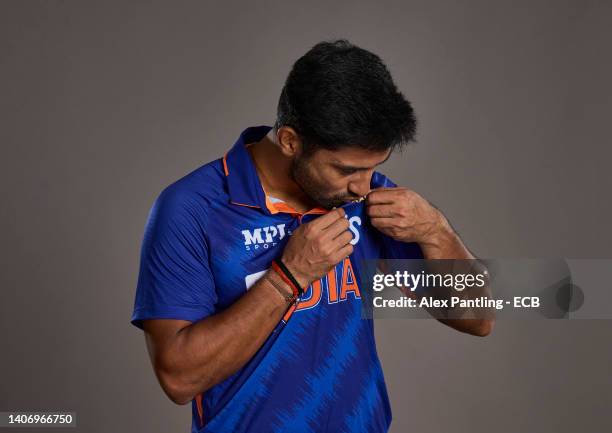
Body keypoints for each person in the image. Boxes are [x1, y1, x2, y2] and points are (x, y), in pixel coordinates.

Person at [130, 39, 493, 433]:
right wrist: (288, 277)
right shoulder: (192, 208)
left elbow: (478, 318)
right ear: (290, 141)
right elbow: (179, 379)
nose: (362, 186)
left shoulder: (366, 198)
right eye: (347, 170)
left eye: (374, 168)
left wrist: (434, 230)